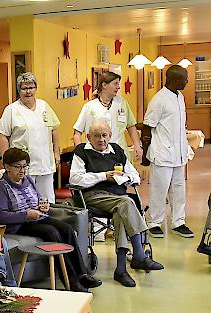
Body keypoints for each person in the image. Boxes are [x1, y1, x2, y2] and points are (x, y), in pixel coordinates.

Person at [0, 148, 101, 293]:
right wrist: (26, 215)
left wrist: (44, 206)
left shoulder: (28, 180)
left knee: (66, 228)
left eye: (25, 166)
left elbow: (39, 199)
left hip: (38, 217)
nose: (23, 170)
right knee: (51, 233)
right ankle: (71, 280)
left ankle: (83, 274)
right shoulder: (1, 188)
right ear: (7, 167)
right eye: (18, 167)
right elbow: (1, 216)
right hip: (19, 225)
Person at [70, 120, 164, 287]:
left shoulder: (117, 150)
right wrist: (104, 176)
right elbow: (75, 179)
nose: (101, 140)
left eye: (104, 135)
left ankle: (120, 269)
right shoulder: (81, 151)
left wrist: (126, 178)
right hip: (93, 196)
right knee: (127, 203)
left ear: (110, 135)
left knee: (122, 211)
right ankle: (139, 256)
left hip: (118, 199)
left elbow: (135, 175)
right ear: (89, 137)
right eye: (97, 136)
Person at [142, 65, 193, 239]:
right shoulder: (159, 100)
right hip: (162, 153)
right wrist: (144, 155)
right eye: (184, 79)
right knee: (159, 189)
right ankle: (154, 222)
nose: (187, 81)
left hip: (179, 153)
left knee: (179, 190)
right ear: (173, 80)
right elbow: (147, 128)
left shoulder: (180, 97)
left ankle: (178, 222)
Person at [0, 72, 61, 203]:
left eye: (31, 87)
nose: (28, 91)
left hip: (44, 162)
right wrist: (6, 159)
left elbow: (55, 128)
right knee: (26, 200)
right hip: (21, 165)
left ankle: (49, 222)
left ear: (36, 88)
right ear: (19, 90)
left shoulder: (44, 106)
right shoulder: (12, 110)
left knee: (47, 200)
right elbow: (2, 135)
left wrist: (57, 153)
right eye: (24, 88)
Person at [73, 71, 143, 162]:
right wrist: (81, 153)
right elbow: (77, 133)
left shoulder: (122, 103)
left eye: (119, 84)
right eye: (115, 84)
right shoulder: (90, 107)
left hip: (119, 153)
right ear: (104, 85)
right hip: (95, 156)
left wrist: (137, 145)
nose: (118, 87)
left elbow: (131, 126)